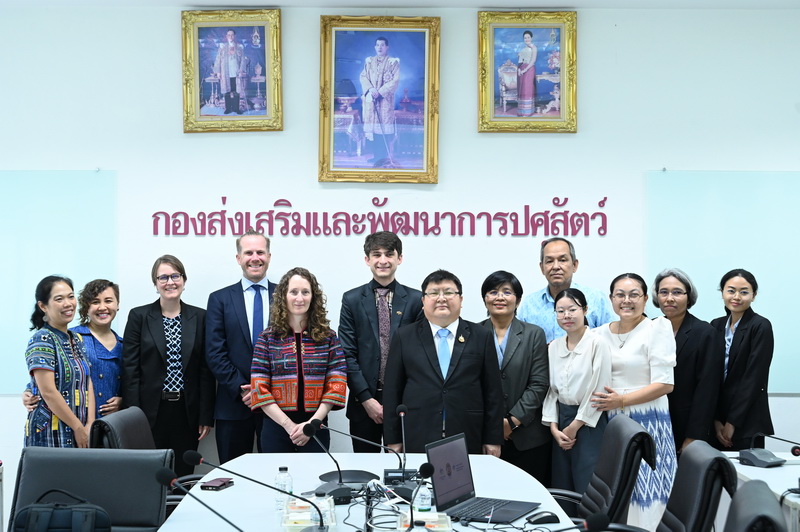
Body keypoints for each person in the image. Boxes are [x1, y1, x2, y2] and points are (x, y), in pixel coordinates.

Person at [382, 269, 504, 455]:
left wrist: (493, 438)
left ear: (460, 300)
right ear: (423, 301)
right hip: (417, 432)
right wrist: (393, 439)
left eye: (448, 292)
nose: (441, 298)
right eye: (433, 293)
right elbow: (392, 391)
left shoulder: (481, 336)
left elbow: (493, 391)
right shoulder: (404, 336)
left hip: (468, 432)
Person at [592, 273, 677, 530]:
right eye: (620, 295)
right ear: (611, 299)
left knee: (648, 491)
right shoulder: (597, 334)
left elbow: (665, 384)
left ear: (645, 298)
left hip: (648, 420)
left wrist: (621, 400)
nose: (626, 300)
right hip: (611, 423)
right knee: (617, 491)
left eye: (634, 295)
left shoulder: (657, 328)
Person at [122, 255, 215, 476]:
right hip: (149, 412)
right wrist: (133, 416)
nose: (170, 282)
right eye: (163, 277)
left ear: (184, 280)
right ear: (155, 283)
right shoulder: (139, 316)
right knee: (150, 474)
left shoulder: (200, 317)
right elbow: (130, 370)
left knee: (184, 472)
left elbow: (205, 370)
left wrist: (205, 415)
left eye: (175, 276)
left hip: (187, 411)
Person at [340, 231, 422, 452]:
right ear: (367, 259)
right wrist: (366, 399)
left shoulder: (416, 300)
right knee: (365, 467)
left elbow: (420, 355)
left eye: (389, 254)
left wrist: (402, 398)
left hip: (405, 402)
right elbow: (347, 354)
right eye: (376, 254)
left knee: (402, 466)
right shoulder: (351, 299)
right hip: (363, 402)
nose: (383, 260)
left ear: (399, 258)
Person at [250, 267, 347, 452]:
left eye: (305, 292)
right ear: (283, 296)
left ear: (313, 297)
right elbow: (259, 388)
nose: (299, 298)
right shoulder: (267, 338)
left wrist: (311, 424)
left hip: (316, 426)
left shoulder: (328, 338)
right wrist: (288, 425)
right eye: (293, 292)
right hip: (276, 427)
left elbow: (337, 384)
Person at [206, 229, 275, 463]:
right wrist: (244, 389)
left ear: (269, 256)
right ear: (238, 258)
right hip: (233, 404)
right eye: (248, 253)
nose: (255, 258)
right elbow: (214, 352)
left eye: (260, 252)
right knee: (232, 476)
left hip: (277, 405)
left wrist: (264, 391)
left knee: (277, 473)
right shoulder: (220, 299)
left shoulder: (286, 296)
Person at [478, 271, 550, 484]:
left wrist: (511, 421)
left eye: (507, 292)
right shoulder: (474, 332)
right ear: (485, 298)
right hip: (484, 435)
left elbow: (539, 383)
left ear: (518, 300)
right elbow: (469, 385)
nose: (499, 297)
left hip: (527, 437)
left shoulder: (533, 334)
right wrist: (492, 425)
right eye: (493, 292)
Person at [542, 288, 612, 494]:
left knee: (587, 486)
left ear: (585, 310)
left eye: (572, 309)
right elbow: (551, 392)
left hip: (590, 422)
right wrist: (554, 428)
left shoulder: (598, 343)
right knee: (562, 486)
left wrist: (574, 427)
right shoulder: (553, 347)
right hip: (561, 422)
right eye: (560, 311)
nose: (567, 316)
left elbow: (599, 389)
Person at [23, 279, 124, 420]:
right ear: (86, 307)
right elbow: (50, 375)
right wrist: (29, 391)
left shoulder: (125, 345)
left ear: (117, 304)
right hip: (77, 421)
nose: (102, 307)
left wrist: (124, 400)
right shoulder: (73, 338)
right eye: (95, 302)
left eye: (108, 301)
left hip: (113, 422)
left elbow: (133, 381)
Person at [652, 268, 723, 453]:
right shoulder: (649, 328)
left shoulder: (705, 333)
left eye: (677, 292)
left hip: (686, 424)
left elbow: (707, 389)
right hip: (652, 420)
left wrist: (694, 435)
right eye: (664, 292)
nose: (669, 298)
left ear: (689, 297)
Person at [25, 275, 95, 448]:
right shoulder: (42, 338)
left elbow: (87, 381)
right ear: (43, 306)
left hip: (80, 429)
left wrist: (89, 424)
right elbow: (48, 392)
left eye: (71, 297)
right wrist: (77, 427)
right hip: (51, 434)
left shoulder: (76, 338)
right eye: (59, 299)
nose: (68, 303)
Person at [711, 269, 773, 450]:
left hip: (747, 420)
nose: (736, 297)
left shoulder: (760, 326)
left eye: (744, 292)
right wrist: (715, 420)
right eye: (731, 291)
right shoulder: (715, 325)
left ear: (754, 296)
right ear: (722, 292)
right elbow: (709, 376)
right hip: (715, 421)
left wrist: (732, 422)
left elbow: (754, 378)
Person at [517, 237, 615, 343]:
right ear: (542, 268)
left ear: (574, 265)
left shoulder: (596, 298)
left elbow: (612, 339)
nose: (556, 266)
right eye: (549, 261)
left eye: (562, 260)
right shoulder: (529, 304)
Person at [359, 36, 400, 163]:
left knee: (383, 129)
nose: (380, 47)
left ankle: (383, 157)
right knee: (374, 129)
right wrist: (371, 89)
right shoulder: (369, 62)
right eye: (377, 45)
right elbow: (363, 76)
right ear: (375, 47)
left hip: (384, 100)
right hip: (372, 99)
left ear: (387, 47)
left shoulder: (393, 62)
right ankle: (377, 156)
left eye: (382, 45)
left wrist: (380, 92)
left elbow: (395, 80)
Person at [213, 29, 248, 114]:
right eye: (229, 35)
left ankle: (236, 108)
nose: (230, 36)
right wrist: (218, 72)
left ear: (234, 36)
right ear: (226, 36)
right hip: (225, 73)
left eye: (232, 35)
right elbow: (218, 60)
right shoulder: (222, 47)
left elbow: (243, 60)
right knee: (227, 91)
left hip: (236, 74)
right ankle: (228, 108)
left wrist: (241, 70)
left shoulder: (239, 47)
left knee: (236, 91)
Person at [517, 30, 537, 116]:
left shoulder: (534, 48)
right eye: (525, 38)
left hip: (529, 69)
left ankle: (528, 112)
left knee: (527, 89)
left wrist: (525, 70)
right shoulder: (523, 49)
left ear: (531, 38)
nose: (527, 39)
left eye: (528, 37)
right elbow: (520, 61)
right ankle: (522, 111)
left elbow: (533, 61)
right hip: (522, 70)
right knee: (522, 89)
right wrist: (519, 69)